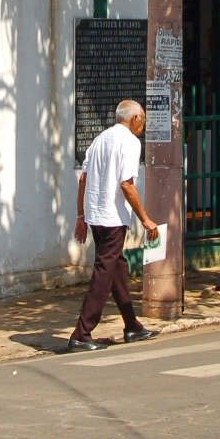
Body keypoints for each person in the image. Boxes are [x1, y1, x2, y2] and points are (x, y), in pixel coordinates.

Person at [67, 99, 161, 352]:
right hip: (111, 217)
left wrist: (81, 216)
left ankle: (132, 326)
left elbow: (83, 180)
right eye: (143, 118)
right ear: (135, 119)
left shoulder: (100, 139)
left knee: (116, 268)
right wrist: (145, 218)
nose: (144, 123)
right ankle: (81, 333)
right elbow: (126, 184)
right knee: (103, 274)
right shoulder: (130, 142)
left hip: (96, 216)